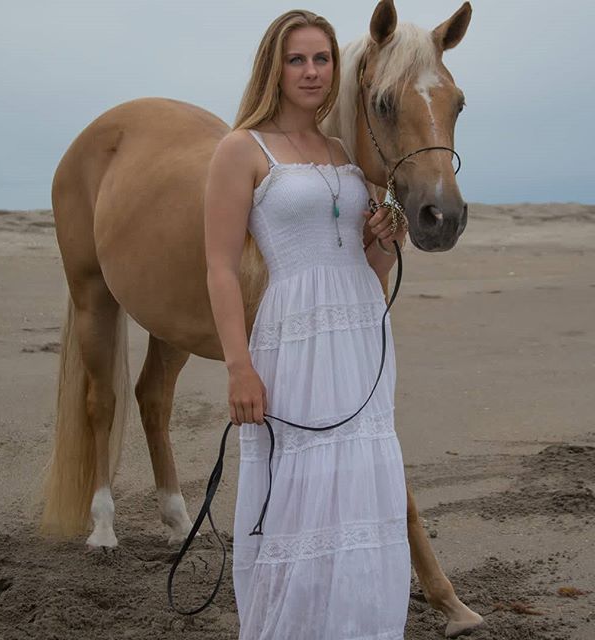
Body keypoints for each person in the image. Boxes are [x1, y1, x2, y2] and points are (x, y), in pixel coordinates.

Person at [204, 9, 410, 639]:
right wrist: (239, 367)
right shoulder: (242, 148)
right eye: (298, 59)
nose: (313, 71)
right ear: (275, 66)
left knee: (360, 482)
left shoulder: (345, 152)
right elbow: (218, 268)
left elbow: (370, 265)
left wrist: (384, 234)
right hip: (293, 335)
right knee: (299, 484)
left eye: (322, 59)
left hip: (360, 332)